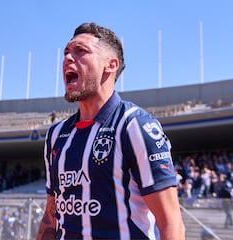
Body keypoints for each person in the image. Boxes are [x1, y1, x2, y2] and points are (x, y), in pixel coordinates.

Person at [37, 22, 185, 239]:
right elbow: (51, 217)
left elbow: (170, 223)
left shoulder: (136, 125)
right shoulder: (56, 135)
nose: (68, 58)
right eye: (66, 52)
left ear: (111, 65)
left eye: (80, 51)